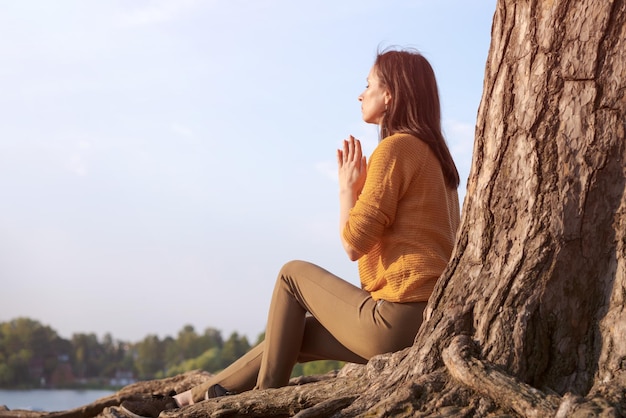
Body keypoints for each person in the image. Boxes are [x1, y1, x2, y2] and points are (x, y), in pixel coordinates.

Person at [121, 46, 461, 417]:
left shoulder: (395, 149)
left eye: (368, 84)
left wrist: (348, 188)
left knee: (291, 274)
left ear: (390, 94)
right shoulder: (439, 163)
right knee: (293, 336)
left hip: (394, 322)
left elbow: (353, 243)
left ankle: (260, 405)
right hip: (425, 325)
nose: (361, 93)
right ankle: (183, 402)